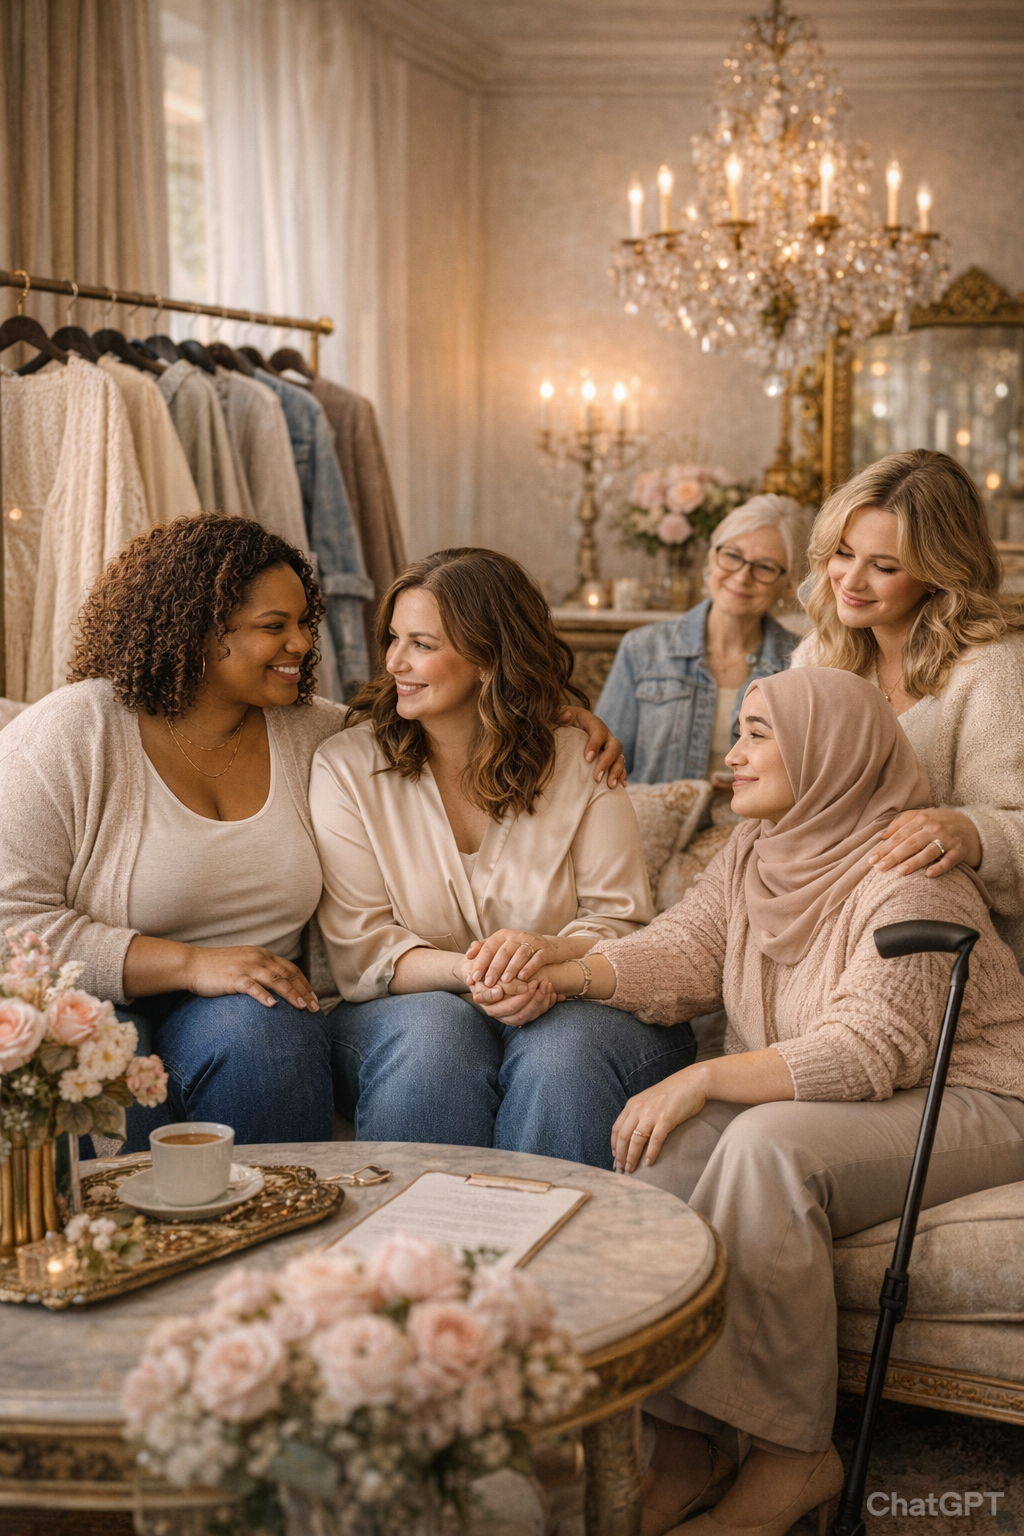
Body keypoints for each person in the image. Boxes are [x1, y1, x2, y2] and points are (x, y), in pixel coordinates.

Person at [519, 668, 1024, 1536]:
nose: (733, 754)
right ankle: (685, 1447)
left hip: (978, 1096)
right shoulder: (760, 851)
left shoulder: (909, 874)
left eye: (758, 734)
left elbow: (864, 1048)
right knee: (666, 1149)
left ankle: (797, 1461)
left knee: (766, 1147)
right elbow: (681, 954)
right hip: (856, 1098)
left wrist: (704, 1076)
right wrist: (557, 968)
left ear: (830, 753)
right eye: (740, 730)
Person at [0, 515, 634, 1151]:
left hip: (252, 1005)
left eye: (305, 622)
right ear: (193, 629)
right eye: (275, 627)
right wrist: (193, 964)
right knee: (93, 1069)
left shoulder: (311, 733)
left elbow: (440, 711)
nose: (303, 644)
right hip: (92, 991)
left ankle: (281, 1236)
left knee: (270, 1037)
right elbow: (9, 922)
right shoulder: (72, 734)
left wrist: (557, 714)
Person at [310, 548, 697, 1167]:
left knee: (561, 1049)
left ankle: (552, 1256)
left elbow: (621, 922)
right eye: (393, 639)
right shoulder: (347, 766)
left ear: (489, 659)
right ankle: (412, 1257)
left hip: (576, 1004)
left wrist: (548, 958)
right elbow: (364, 949)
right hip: (404, 1018)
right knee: (438, 1033)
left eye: (421, 644)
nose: (394, 662)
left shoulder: (580, 762)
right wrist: (479, 973)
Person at [793, 449, 1024, 967]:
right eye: (843, 553)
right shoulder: (820, 652)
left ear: (939, 573)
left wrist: (972, 831)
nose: (850, 581)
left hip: (950, 949)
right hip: (824, 932)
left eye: (883, 566)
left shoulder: (991, 670)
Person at [597, 494, 808, 783]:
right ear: (712, 558)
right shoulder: (642, 648)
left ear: (788, 585)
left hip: (753, 828)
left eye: (764, 567)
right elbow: (603, 765)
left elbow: (802, 779)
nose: (742, 577)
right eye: (732, 556)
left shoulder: (801, 662)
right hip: (652, 823)